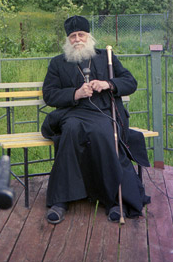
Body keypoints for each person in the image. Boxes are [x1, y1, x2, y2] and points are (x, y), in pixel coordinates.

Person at [42, 15, 150, 224]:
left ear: (88, 36)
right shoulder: (57, 63)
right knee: (71, 131)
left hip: (103, 113)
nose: (77, 39)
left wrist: (108, 84)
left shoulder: (106, 57)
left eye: (81, 34)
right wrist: (75, 94)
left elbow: (130, 82)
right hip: (72, 113)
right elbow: (49, 94)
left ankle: (113, 201)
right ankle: (60, 200)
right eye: (73, 36)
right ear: (67, 40)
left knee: (102, 132)